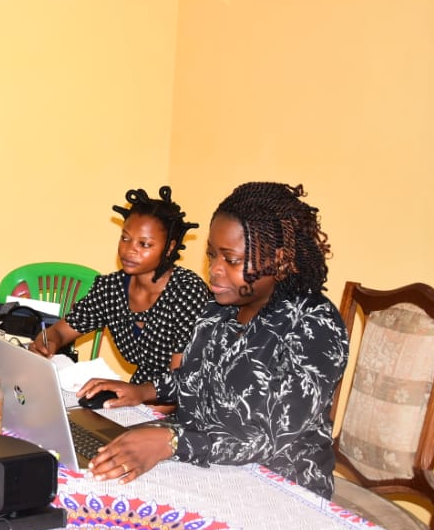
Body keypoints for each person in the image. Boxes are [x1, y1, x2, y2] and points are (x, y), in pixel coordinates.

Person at [79, 182, 349, 499]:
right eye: (211, 255)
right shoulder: (220, 309)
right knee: (97, 471)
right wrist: (143, 391)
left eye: (230, 260)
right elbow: (196, 377)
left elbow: (270, 434)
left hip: (279, 484)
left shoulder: (313, 323)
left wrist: (172, 441)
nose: (215, 270)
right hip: (203, 460)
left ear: (278, 259)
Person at [28, 186, 211, 383]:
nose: (129, 250)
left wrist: (131, 397)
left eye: (144, 244)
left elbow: (180, 381)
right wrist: (48, 342)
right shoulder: (111, 289)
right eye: (125, 238)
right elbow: (60, 331)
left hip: (186, 394)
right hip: (140, 391)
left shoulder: (187, 292)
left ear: (169, 248)